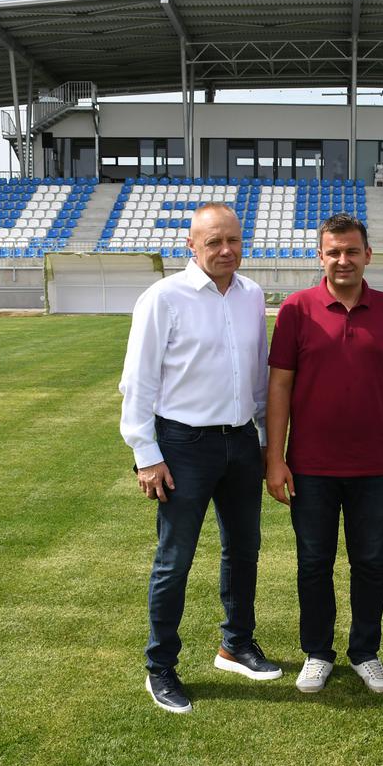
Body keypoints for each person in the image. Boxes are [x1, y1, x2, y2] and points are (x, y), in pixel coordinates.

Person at [119, 203, 279, 715]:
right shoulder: (163, 298)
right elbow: (137, 382)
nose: (226, 250)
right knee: (175, 559)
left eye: (233, 239)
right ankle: (160, 667)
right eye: (214, 242)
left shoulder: (252, 294)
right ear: (191, 246)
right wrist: (146, 455)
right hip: (183, 446)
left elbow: (256, 375)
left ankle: (236, 644)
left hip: (240, 443)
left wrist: (262, 436)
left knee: (244, 550)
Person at [265, 213, 383, 695]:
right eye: (333, 251)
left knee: (370, 563)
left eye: (352, 251)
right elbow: (280, 386)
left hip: (373, 466)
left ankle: (365, 652)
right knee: (314, 563)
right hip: (311, 466)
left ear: (368, 255)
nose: (343, 259)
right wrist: (276, 457)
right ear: (320, 256)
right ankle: (317, 651)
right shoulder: (296, 309)